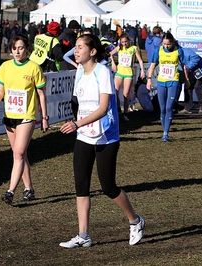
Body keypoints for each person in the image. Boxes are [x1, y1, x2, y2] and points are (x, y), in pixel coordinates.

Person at [59, 34, 145, 248]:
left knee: (108, 187)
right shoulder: (79, 71)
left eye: (80, 47)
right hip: (84, 136)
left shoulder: (103, 72)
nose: (76, 51)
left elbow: (103, 108)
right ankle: (83, 235)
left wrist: (77, 124)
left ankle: (135, 221)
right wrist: (77, 123)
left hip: (106, 137)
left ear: (93, 51)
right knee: (81, 186)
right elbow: (78, 103)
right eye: (75, 47)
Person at [0, 34, 49, 205]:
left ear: (27, 49)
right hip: (10, 117)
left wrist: (44, 117)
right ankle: (29, 189)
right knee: (19, 155)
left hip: (26, 117)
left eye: (21, 48)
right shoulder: (5, 67)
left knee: (19, 153)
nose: (17, 51)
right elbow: (0, 91)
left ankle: (10, 191)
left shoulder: (34, 68)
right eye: (14, 48)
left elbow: (41, 95)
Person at [146, 32, 189, 142]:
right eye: (164, 44)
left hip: (173, 81)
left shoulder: (178, 51)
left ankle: (166, 133)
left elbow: (184, 66)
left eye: (168, 44)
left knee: (169, 107)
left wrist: (187, 79)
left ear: (173, 42)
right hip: (161, 82)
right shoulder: (158, 51)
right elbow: (152, 65)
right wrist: (149, 79)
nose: (166, 46)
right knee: (163, 108)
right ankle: (163, 130)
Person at [110, 33, 146, 121]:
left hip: (128, 74)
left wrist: (142, 70)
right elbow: (110, 54)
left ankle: (125, 114)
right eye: (122, 42)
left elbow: (140, 60)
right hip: (119, 72)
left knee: (125, 94)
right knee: (115, 93)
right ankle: (117, 110)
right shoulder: (119, 48)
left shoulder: (133, 48)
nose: (124, 44)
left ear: (129, 41)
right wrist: (113, 64)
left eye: (126, 42)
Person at [178, 47, 202, 114]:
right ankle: (188, 107)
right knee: (188, 87)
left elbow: (196, 58)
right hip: (191, 72)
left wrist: (188, 67)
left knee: (197, 87)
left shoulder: (185, 51)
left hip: (201, 70)